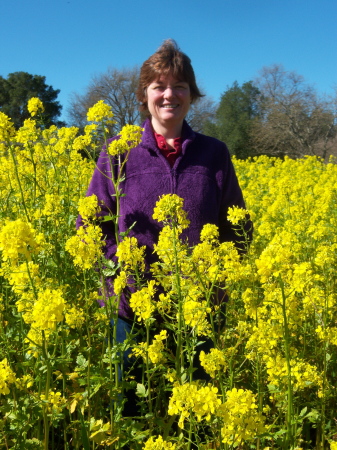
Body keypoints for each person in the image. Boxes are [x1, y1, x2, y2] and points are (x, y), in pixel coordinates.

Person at [78, 39, 252, 414]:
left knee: (199, 413)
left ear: (192, 95)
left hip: (199, 306)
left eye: (180, 87)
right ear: (145, 94)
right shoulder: (117, 152)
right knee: (134, 410)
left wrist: (220, 283)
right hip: (133, 310)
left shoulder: (214, 153)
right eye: (159, 86)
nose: (169, 94)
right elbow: (89, 224)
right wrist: (118, 269)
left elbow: (238, 226)